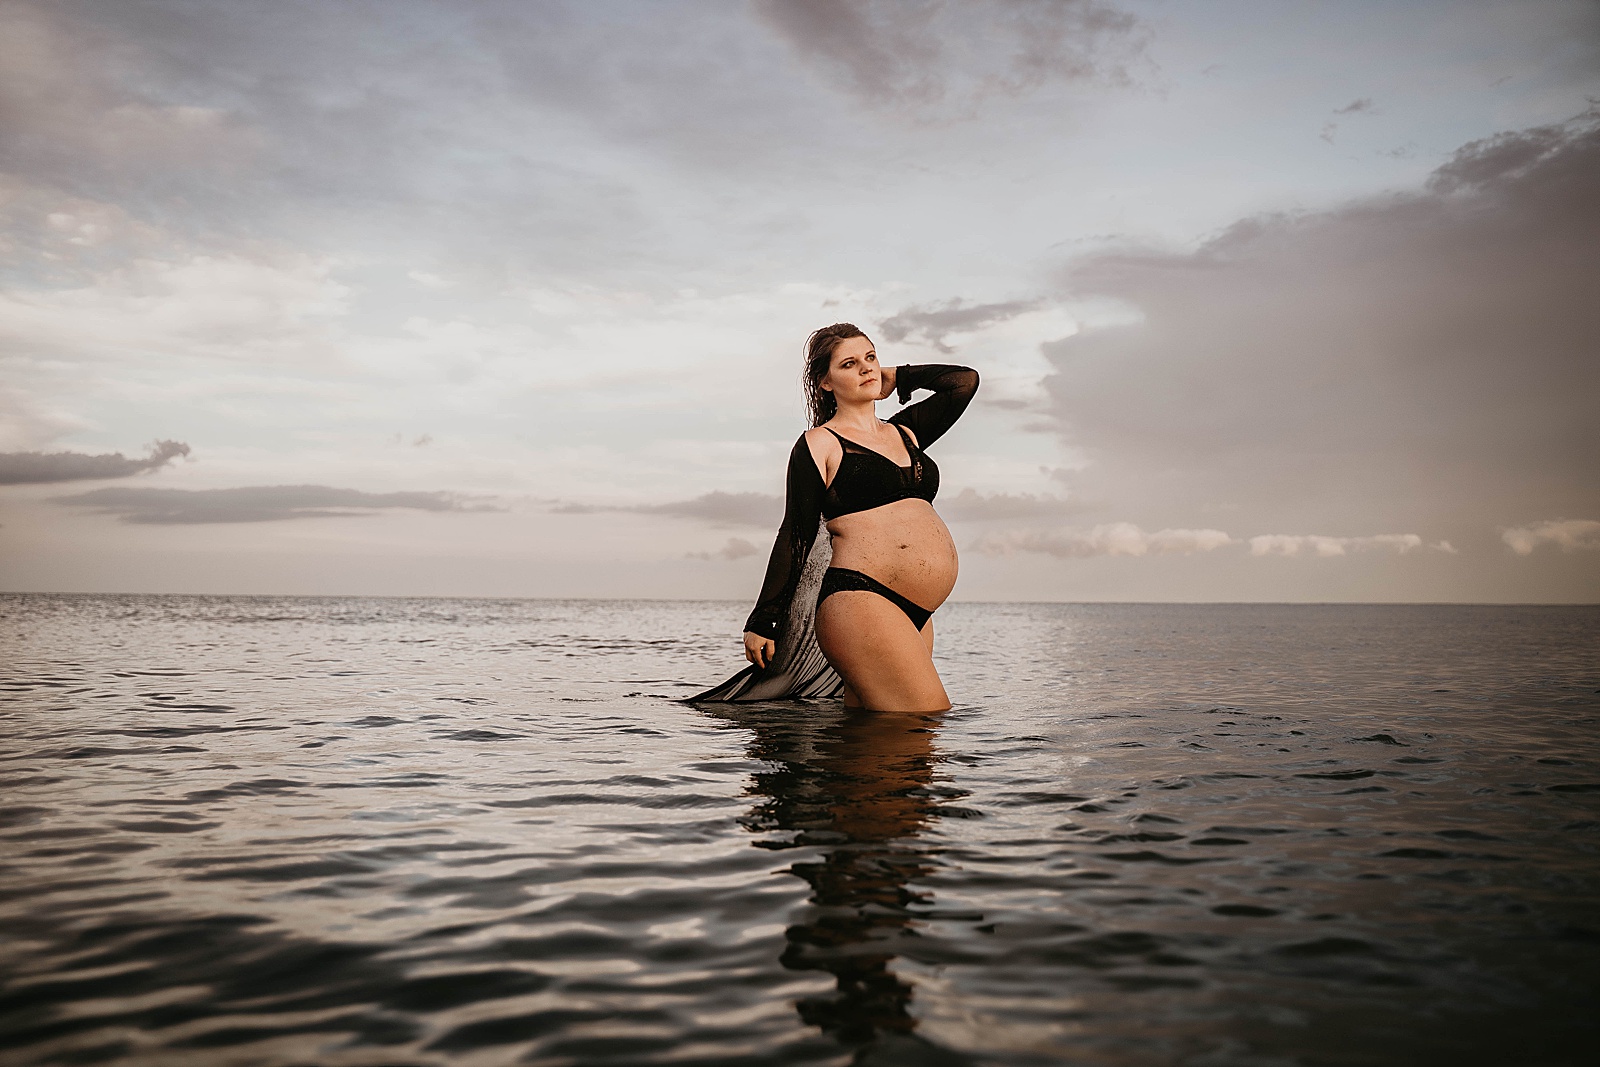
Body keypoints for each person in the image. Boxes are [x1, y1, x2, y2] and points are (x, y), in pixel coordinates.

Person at [691, 323, 978, 711]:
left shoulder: (906, 434)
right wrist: (763, 619)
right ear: (825, 381)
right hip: (862, 600)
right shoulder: (820, 444)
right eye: (849, 364)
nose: (866, 369)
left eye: (871, 358)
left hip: (916, 612)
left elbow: (963, 382)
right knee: (923, 722)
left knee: (877, 746)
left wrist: (900, 376)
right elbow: (796, 532)